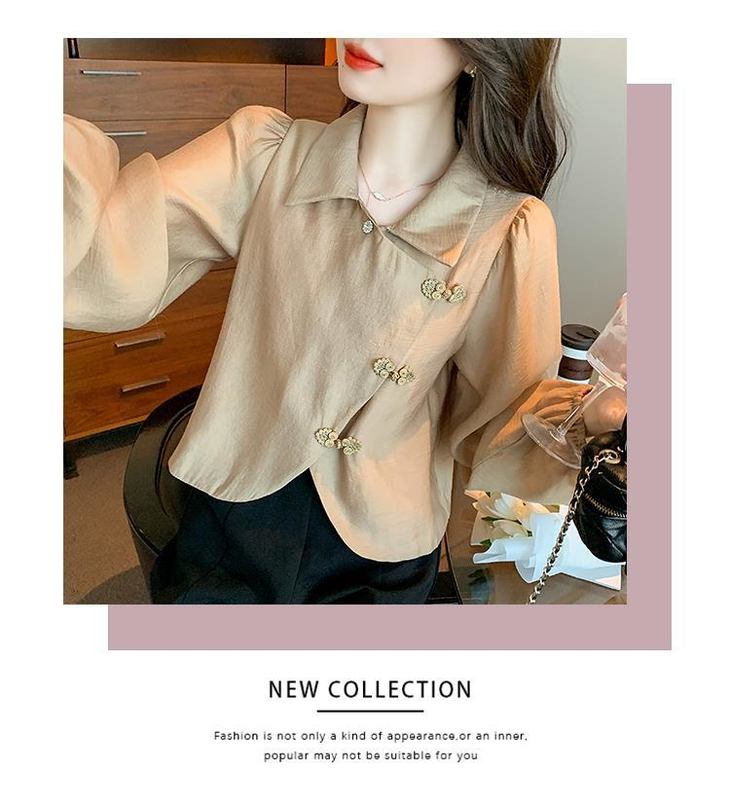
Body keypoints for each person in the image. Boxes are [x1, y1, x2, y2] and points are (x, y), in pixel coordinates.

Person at [63, 38, 625, 604]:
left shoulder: (507, 229)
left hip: (382, 542)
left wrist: (594, 425)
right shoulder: (264, 154)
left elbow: (506, 415)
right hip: (237, 506)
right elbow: (105, 261)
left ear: (481, 48)